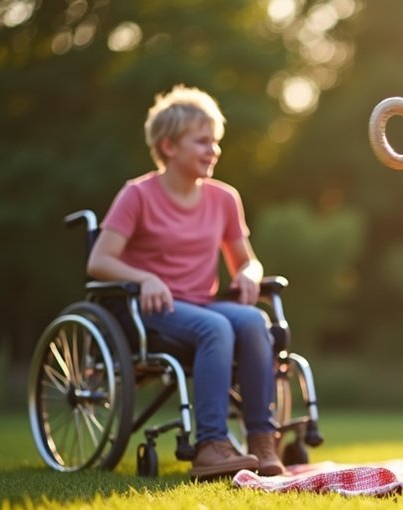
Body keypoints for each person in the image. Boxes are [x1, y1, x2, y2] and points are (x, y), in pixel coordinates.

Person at [87, 85, 285, 479]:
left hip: (201, 302)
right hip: (149, 309)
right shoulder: (137, 195)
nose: (213, 150)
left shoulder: (224, 198)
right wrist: (144, 278)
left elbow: (246, 261)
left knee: (253, 322)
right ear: (169, 146)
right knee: (216, 327)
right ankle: (211, 444)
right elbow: (99, 261)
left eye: (215, 141)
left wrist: (248, 273)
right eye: (202, 141)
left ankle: (262, 441)